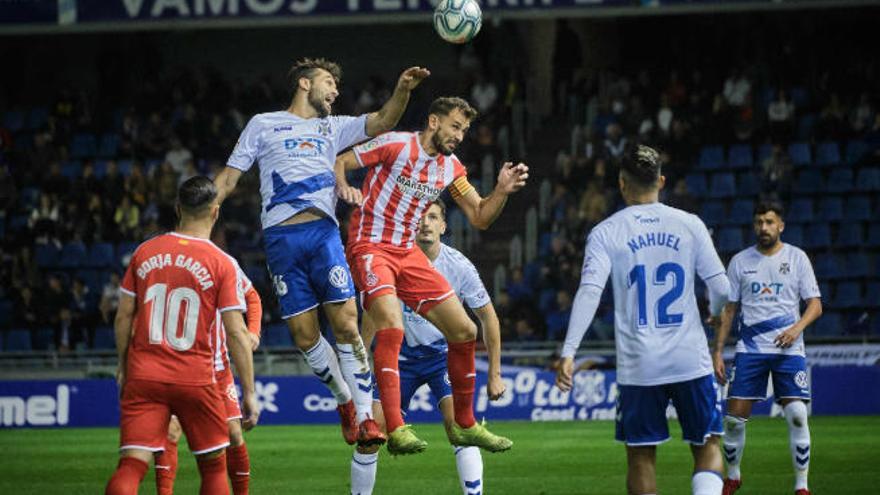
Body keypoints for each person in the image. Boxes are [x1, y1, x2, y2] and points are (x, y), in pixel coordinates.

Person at [213, 58, 430, 447]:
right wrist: (200, 220)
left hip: (323, 235)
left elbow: (382, 121)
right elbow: (230, 177)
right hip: (281, 240)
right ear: (303, 84)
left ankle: (366, 417)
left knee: (347, 324)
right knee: (303, 335)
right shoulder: (262, 124)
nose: (335, 91)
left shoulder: (332, 127)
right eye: (329, 83)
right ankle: (345, 402)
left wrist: (403, 91)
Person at [335, 96, 527, 454]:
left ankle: (465, 425)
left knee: (464, 330)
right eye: (455, 126)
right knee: (390, 326)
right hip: (371, 245)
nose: (460, 135)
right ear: (434, 122)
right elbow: (341, 160)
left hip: (406, 251)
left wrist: (500, 191)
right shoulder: (395, 145)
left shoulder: (451, 168)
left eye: (465, 130)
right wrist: (344, 186)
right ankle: (395, 427)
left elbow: (480, 216)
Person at [556, 145, 730, 495]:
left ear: (622, 184)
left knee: (640, 457)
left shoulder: (606, 232)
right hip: (689, 358)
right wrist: (713, 312)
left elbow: (589, 292)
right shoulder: (690, 225)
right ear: (661, 181)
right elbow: (722, 287)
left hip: (639, 365)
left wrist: (569, 351)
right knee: (708, 445)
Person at [105, 176, 258, 495]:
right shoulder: (221, 263)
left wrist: (123, 366)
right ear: (215, 212)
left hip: (145, 374)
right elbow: (235, 332)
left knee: (131, 466)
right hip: (196, 378)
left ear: (178, 209)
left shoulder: (144, 252)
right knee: (214, 467)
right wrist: (250, 392)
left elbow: (123, 317)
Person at [350, 200, 506, 494]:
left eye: (433, 217)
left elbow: (488, 318)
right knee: (370, 436)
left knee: (459, 428)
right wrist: (361, 368)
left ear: (443, 226)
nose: (425, 223)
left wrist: (495, 374)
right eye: (420, 217)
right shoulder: (389, 260)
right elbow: (372, 315)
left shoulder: (459, 266)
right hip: (399, 359)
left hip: (441, 358)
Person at [712, 202, 822, 495]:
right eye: (759, 222)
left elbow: (815, 305)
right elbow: (729, 311)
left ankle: (802, 486)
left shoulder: (797, 258)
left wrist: (796, 329)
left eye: (769, 222)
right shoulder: (739, 261)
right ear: (754, 226)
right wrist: (718, 351)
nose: (764, 228)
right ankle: (733, 476)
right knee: (734, 422)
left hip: (790, 351)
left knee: (797, 414)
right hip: (751, 350)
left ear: (780, 226)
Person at [154, 274, 263, 495]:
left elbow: (252, 296)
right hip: (176, 365)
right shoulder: (165, 260)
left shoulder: (221, 262)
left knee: (233, 433)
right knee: (171, 431)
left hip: (217, 369)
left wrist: (253, 331)